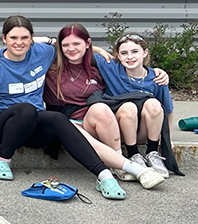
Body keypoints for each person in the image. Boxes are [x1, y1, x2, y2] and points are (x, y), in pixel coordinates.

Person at [0, 15, 128, 199]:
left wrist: (94, 49)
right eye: (13, 38)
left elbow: (66, 47)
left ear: (32, 39)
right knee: (26, 109)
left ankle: (104, 176)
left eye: (25, 38)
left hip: (34, 127)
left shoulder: (42, 52)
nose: (19, 42)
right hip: (2, 127)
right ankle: (2, 161)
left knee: (58, 118)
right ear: (4, 39)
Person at [43, 24, 164, 189]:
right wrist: (51, 41)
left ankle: (117, 161)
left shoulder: (98, 65)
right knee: (79, 127)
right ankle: (127, 166)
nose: (71, 49)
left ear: (87, 44)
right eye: (65, 44)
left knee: (101, 108)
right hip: (65, 122)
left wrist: (157, 73)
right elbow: (24, 45)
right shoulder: (50, 64)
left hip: (96, 122)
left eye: (76, 44)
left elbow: (133, 69)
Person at [94, 32, 181, 178]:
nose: (130, 57)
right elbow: (82, 47)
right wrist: (100, 51)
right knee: (129, 107)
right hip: (120, 130)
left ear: (145, 53)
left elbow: (168, 110)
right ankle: (133, 154)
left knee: (154, 104)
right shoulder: (111, 68)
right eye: (124, 53)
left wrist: (168, 138)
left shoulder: (156, 78)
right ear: (118, 56)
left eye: (135, 51)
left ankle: (152, 153)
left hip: (144, 131)